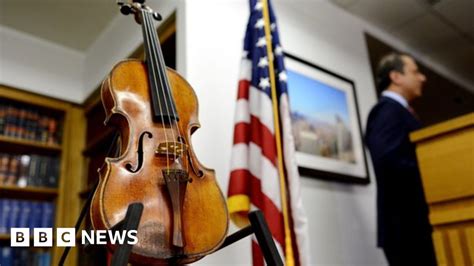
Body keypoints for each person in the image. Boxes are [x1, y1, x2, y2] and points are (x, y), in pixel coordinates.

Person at [365, 52, 437, 265]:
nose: (422, 78)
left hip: (415, 226)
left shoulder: (400, 111)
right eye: (415, 72)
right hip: (407, 228)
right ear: (396, 77)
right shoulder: (386, 111)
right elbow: (389, 162)